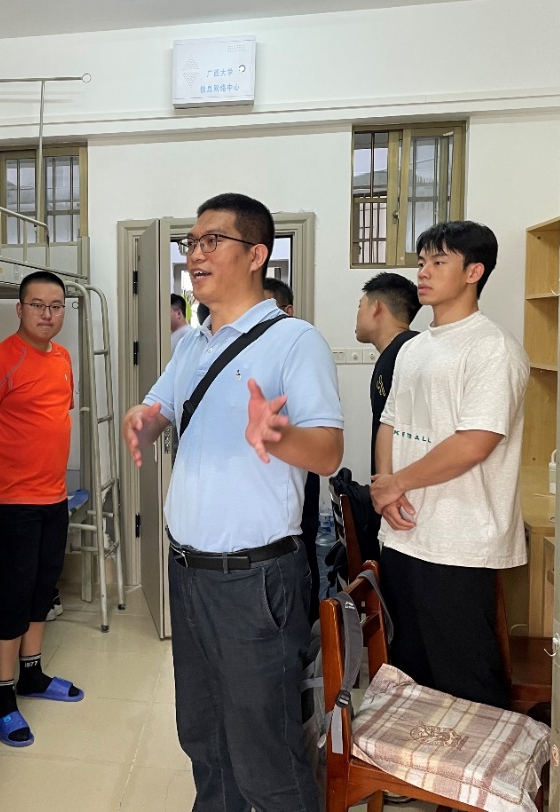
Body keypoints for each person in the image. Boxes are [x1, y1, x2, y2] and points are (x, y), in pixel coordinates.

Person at [123, 193, 343, 812]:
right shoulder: (192, 344)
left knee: (264, 751)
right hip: (188, 571)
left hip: (255, 581)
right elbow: (161, 409)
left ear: (256, 255)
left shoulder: (294, 341)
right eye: (190, 243)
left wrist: (277, 436)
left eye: (211, 241)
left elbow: (328, 453)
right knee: (204, 736)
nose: (195, 254)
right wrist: (143, 419)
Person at [370, 221, 528, 710]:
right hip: (404, 533)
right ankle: (419, 758)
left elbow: (474, 443)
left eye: (439, 262)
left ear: (474, 272)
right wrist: (385, 487)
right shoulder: (414, 348)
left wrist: (395, 483)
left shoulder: (492, 348)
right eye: (422, 262)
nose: (424, 272)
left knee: (466, 677)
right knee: (410, 671)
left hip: (460, 541)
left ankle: (477, 766)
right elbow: (390, 422)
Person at [0, 271, 82, 747]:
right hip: (10, 501)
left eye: (56, 306)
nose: (47, 314)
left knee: (42, 588)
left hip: (53, 496)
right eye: (38, 305)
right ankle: (2, 698)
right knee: (14, 595)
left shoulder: (63, 358)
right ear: (20, 309)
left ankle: (32, 674)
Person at [262, 276, 322, 623]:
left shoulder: (302, 354)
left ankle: (308, 625)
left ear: (288, 312)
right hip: (262, 492)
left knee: (302, 546)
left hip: (296, 474)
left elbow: (320, 439)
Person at [353, 271, 421, 476]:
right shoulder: (395, 352)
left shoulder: (410, 353)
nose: (357, 315)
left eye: (360, 306)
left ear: (376, 308)